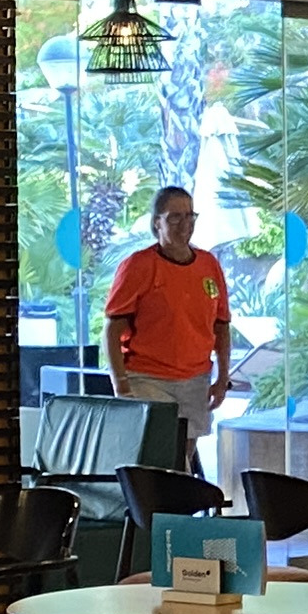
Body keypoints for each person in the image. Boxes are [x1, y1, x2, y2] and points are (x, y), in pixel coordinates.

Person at [106, 186, 236, 467]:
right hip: (147, 378)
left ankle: (178, 496)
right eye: (175, 217)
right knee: (158, 459)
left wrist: (222, 378)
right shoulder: (139, 265)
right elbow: (113, 329)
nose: (184, 224)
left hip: (196, 379)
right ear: (157, 222)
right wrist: (121, 384)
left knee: (182, 457)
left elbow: (221, 327)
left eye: (190, 216)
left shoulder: (208, 265)